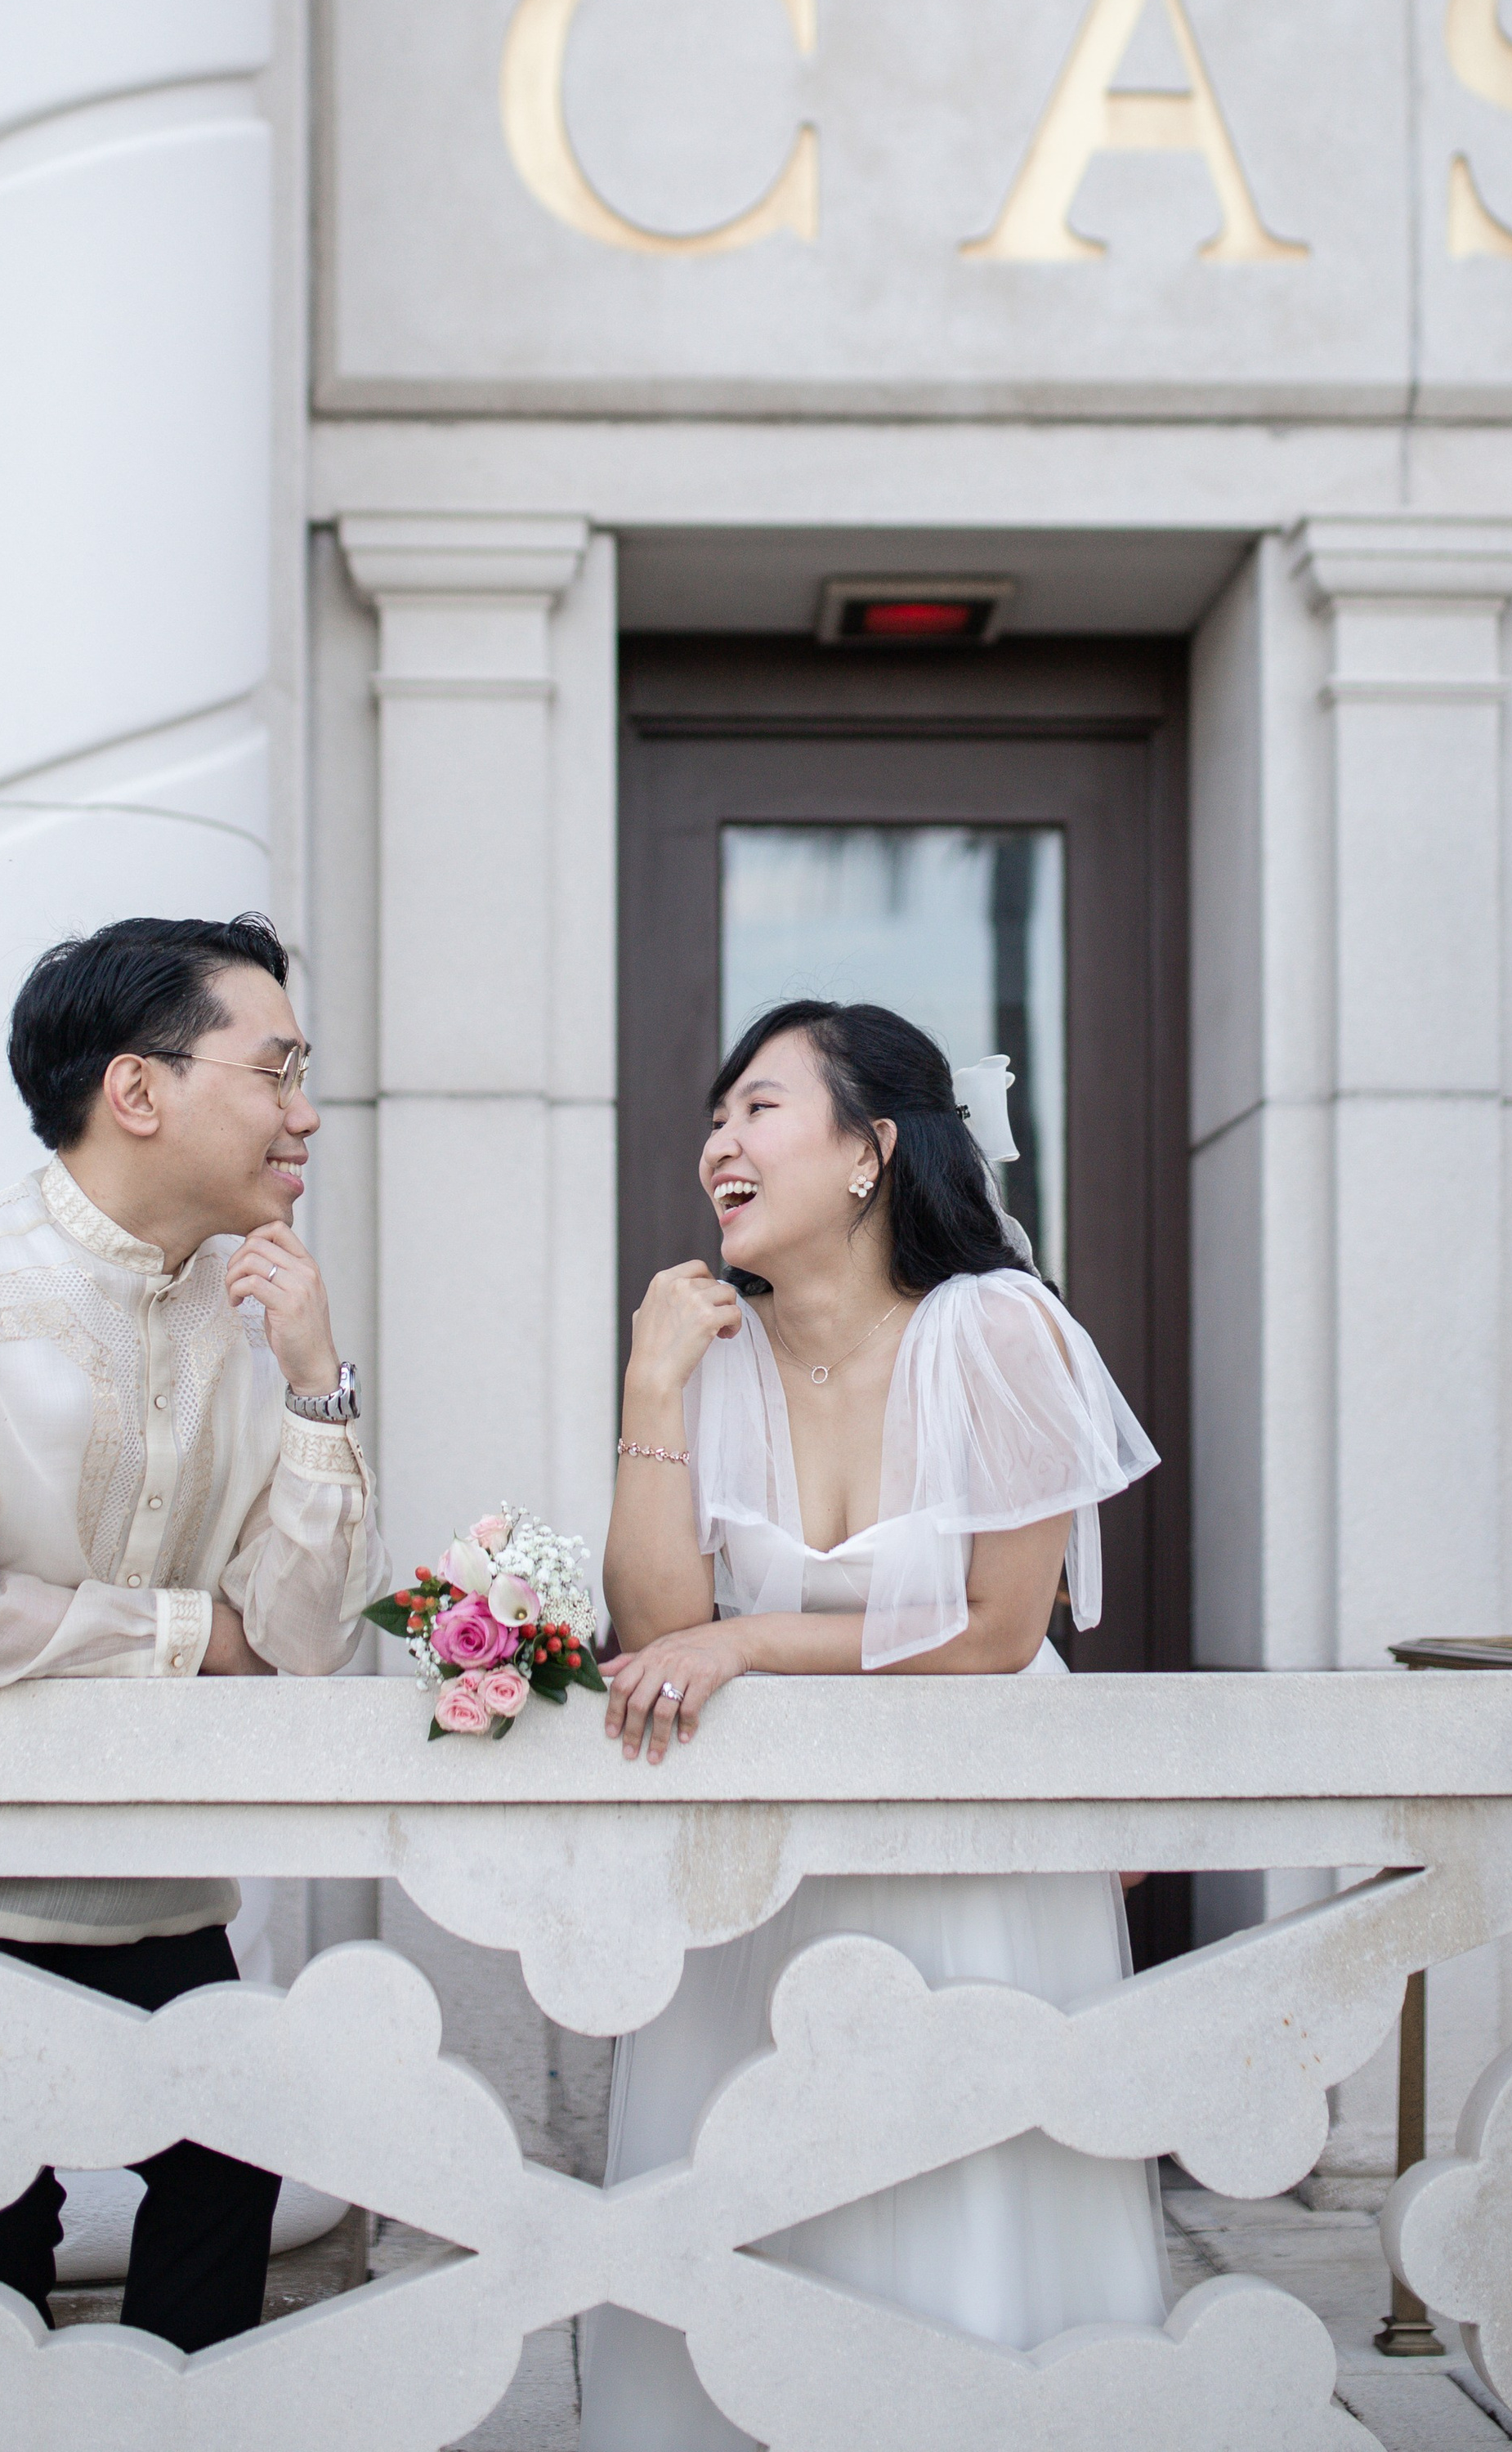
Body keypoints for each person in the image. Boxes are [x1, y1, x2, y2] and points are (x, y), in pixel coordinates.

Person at [0, 912, 381, 2351]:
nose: (306, 1115)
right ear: (138, 1089)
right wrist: (200, 1636)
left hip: (156, 1885)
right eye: (277, 1069)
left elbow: (304, 1639)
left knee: (229, 2179)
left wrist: (315, 1381)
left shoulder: (254, 1312)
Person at [579, 999, 1167, 2449]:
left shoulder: (1000, 1331)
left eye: (760, 1109)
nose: (720, 1141)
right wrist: (650, 1387)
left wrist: (749, 1638)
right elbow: (656, 1632)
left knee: (956, 2178)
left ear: (870, 1154)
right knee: (750, 2170)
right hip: (775, 1859)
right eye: (715, 1118)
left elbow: (993, 1630)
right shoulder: (709, 1355)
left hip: (968, 1846)